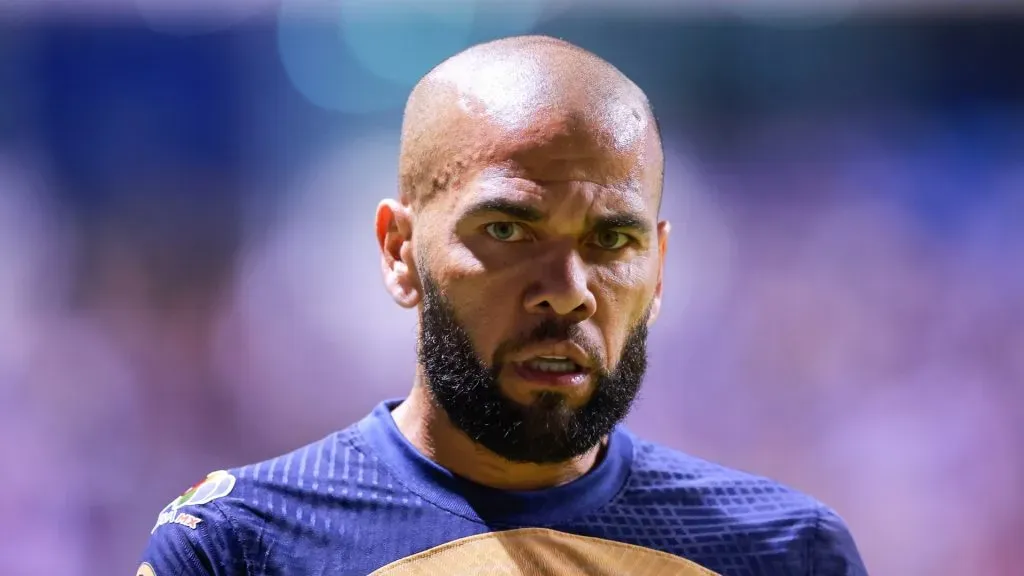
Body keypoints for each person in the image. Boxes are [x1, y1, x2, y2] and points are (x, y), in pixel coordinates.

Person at [138, 35, 867, 575]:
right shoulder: (240, 547)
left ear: (661, 266)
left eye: (612, 239)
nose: (568, 288)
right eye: (509, 230)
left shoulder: (782, 552)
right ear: (400, 251)